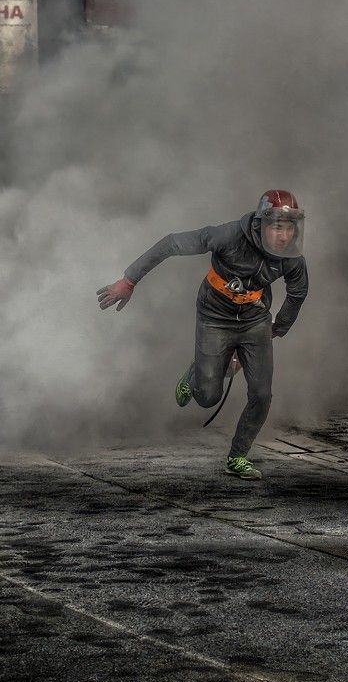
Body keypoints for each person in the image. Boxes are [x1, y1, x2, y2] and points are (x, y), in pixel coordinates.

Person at [97, 190, 308, 481]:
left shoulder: (291, 257)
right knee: (208, 396)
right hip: (214, 315)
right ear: (260, 224)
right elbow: (172, 243)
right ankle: (197, 373)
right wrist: (129, 280)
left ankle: (237, 457)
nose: (284, 236)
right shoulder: (228, 235)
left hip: (255, 319)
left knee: (261, 393)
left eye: (289, 227)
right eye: (277, 226)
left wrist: (275, 331)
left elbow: (297, 294)